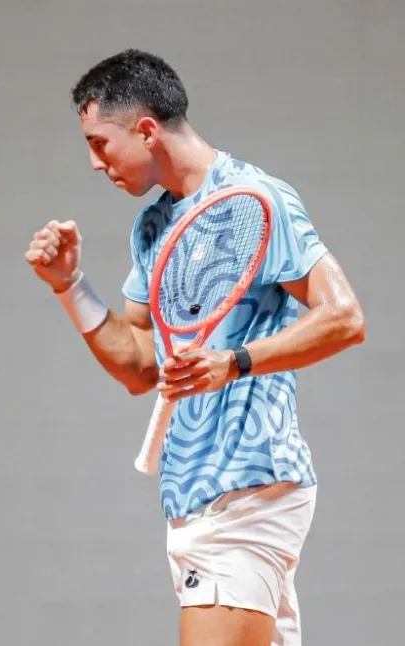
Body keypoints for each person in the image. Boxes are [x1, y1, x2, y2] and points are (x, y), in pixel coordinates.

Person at [25, 49, 365, 646]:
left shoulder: (260, 197)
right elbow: (138, 367)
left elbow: (344, 317)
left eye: (99, 143)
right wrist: (70, 287)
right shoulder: (152, 226)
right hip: (193, 495)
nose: (93, 162)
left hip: (247, 489)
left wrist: (234, 363)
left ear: (147, 130)